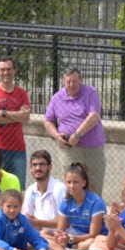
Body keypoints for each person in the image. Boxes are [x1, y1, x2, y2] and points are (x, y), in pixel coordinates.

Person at [43, 67, 106, 196]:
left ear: (81, 80)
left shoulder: (90, 92)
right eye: (68, 81)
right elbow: (47, 120)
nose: (71, 85)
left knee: (94, 185)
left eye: (74, 81)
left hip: (93, 148)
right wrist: (56, 135)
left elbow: (94, 116)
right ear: (64, 81)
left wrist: (77, 135)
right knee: (73, 185)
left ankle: (94, 209)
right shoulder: (57, 98)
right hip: (70, 149)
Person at [0, 56, 31, 185]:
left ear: (14, 71)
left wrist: (3, 113)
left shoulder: (22, 93)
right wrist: (16, 116)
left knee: (17, 187)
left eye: (9, 69)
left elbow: (25, 117)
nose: (6, 72)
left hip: (17, 149)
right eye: (2, 69)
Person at [48, 162, 106, 250]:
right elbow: (60, 231)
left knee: (87, 243)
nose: (71, 185)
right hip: (73, 240)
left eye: (75, 182)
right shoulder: (65, 202)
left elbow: (93, 234)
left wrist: (71, 239)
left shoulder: (96, 202)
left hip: (90, 240)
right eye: (68, 182)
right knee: (44, 234)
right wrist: (61, 238)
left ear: (84, 183)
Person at [22, 150, 66, 234]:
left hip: (57, 235)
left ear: (50, 167)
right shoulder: (30, 190)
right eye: (35, 165)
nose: (38, 168)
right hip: (36, 234)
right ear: (30, 168)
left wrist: (39, 223)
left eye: (42, 164)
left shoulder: (60, 189)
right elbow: (27, 219)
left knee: (44, 233)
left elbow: (67, 222)